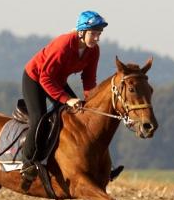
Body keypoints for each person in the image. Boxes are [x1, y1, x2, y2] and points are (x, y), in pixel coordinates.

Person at [20, 10, 108, 184]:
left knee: (78, 116)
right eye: (94, 33)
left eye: (99, 34)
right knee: (40, 118)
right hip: (35, 78)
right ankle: (27, 163)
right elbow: (45, 78)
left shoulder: (93, 51)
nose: (97, 38)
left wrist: (91, 102)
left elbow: (89, 79)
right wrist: (67, 99)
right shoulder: (63, 44)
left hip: (57, 80)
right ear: (82, 32)